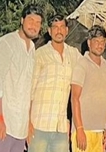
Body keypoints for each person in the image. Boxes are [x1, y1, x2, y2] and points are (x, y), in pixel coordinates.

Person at [0, 5, 43, 152]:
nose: (34, 26)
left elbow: (28, 89)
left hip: (20, 126)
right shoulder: (7, 42)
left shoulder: (32, 49)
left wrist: (28, 122)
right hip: (4, 119)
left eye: (38, 23)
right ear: (22, 20)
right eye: (30, 20)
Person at [29, 14, 81, 152]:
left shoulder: (74, 54)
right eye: (55, 27)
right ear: (49, 31)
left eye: (62, 27)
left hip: (61, 127)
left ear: (67, 30)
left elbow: (86, 73)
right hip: (39, 124)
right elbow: (30, 91)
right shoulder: (40, 54)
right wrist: (28, 123)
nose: (59, 30)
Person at [70, 25, 106, 152]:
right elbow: (74, 98)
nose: (100, 45)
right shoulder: (81, 64)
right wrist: (79, 129)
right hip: (83, 132)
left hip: (99, 133)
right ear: (89, 43)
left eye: (102, 42)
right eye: (96, 41)